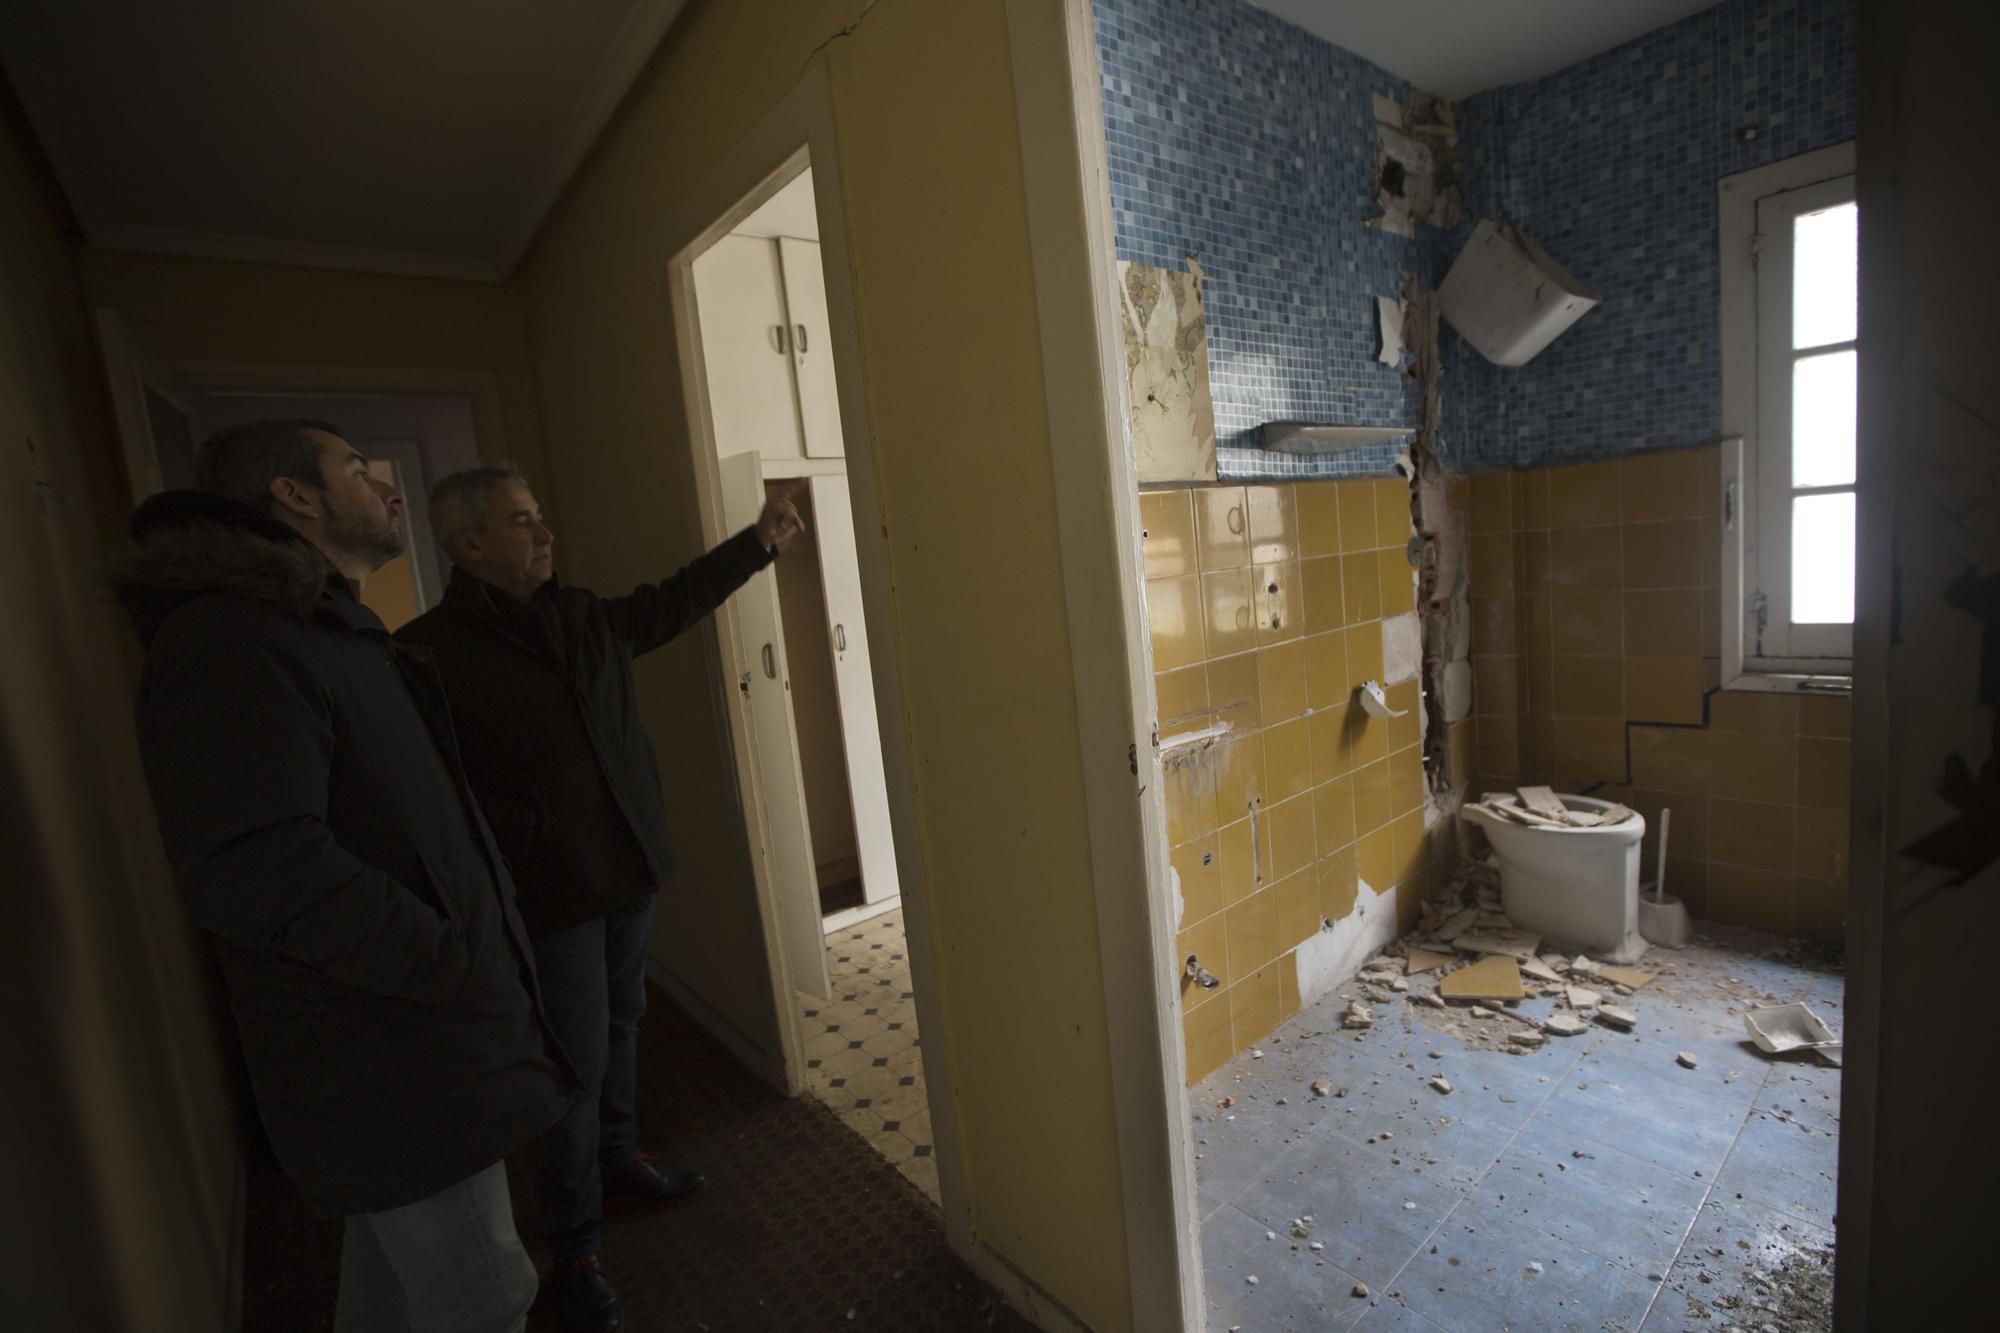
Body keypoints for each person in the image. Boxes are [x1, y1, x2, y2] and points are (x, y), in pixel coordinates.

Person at [113, 420, 578, 1333]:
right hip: (394, 1054)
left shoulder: (324, 629)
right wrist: (445, 962)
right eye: (359, 470)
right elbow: (256, 864)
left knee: (395, 1299)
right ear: (296, 495)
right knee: (485, 1297)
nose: (390, 487)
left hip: (402, 1044)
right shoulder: (231, 638)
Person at [397, 464, 804, 1332]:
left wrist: (758, 544)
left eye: (541, 515)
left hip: (628, 872)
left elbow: (670, 603)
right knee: (573, 1066)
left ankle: (621, 1162)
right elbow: (434, 785)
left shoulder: (579, 616)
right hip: (554, 895)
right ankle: (574, 1245)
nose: (544, 533)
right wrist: (525, 836)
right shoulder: (429, 652)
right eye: (521, 521)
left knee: (624, 1023)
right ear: (470, 544)